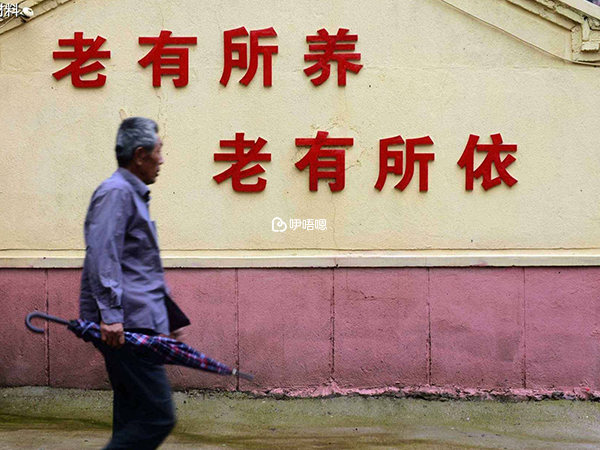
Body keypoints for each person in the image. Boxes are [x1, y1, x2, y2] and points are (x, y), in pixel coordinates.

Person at [79, 117, 189, 449]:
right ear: (140, 155)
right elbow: (103, 255)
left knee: (132, 414)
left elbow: (141, 267)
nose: (162, 159)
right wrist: (110, 316)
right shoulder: (116, 193)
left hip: (137, 320)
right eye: (159, 151)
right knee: (157, 417)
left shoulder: (131, 194)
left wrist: (168, 317)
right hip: (126, 326)